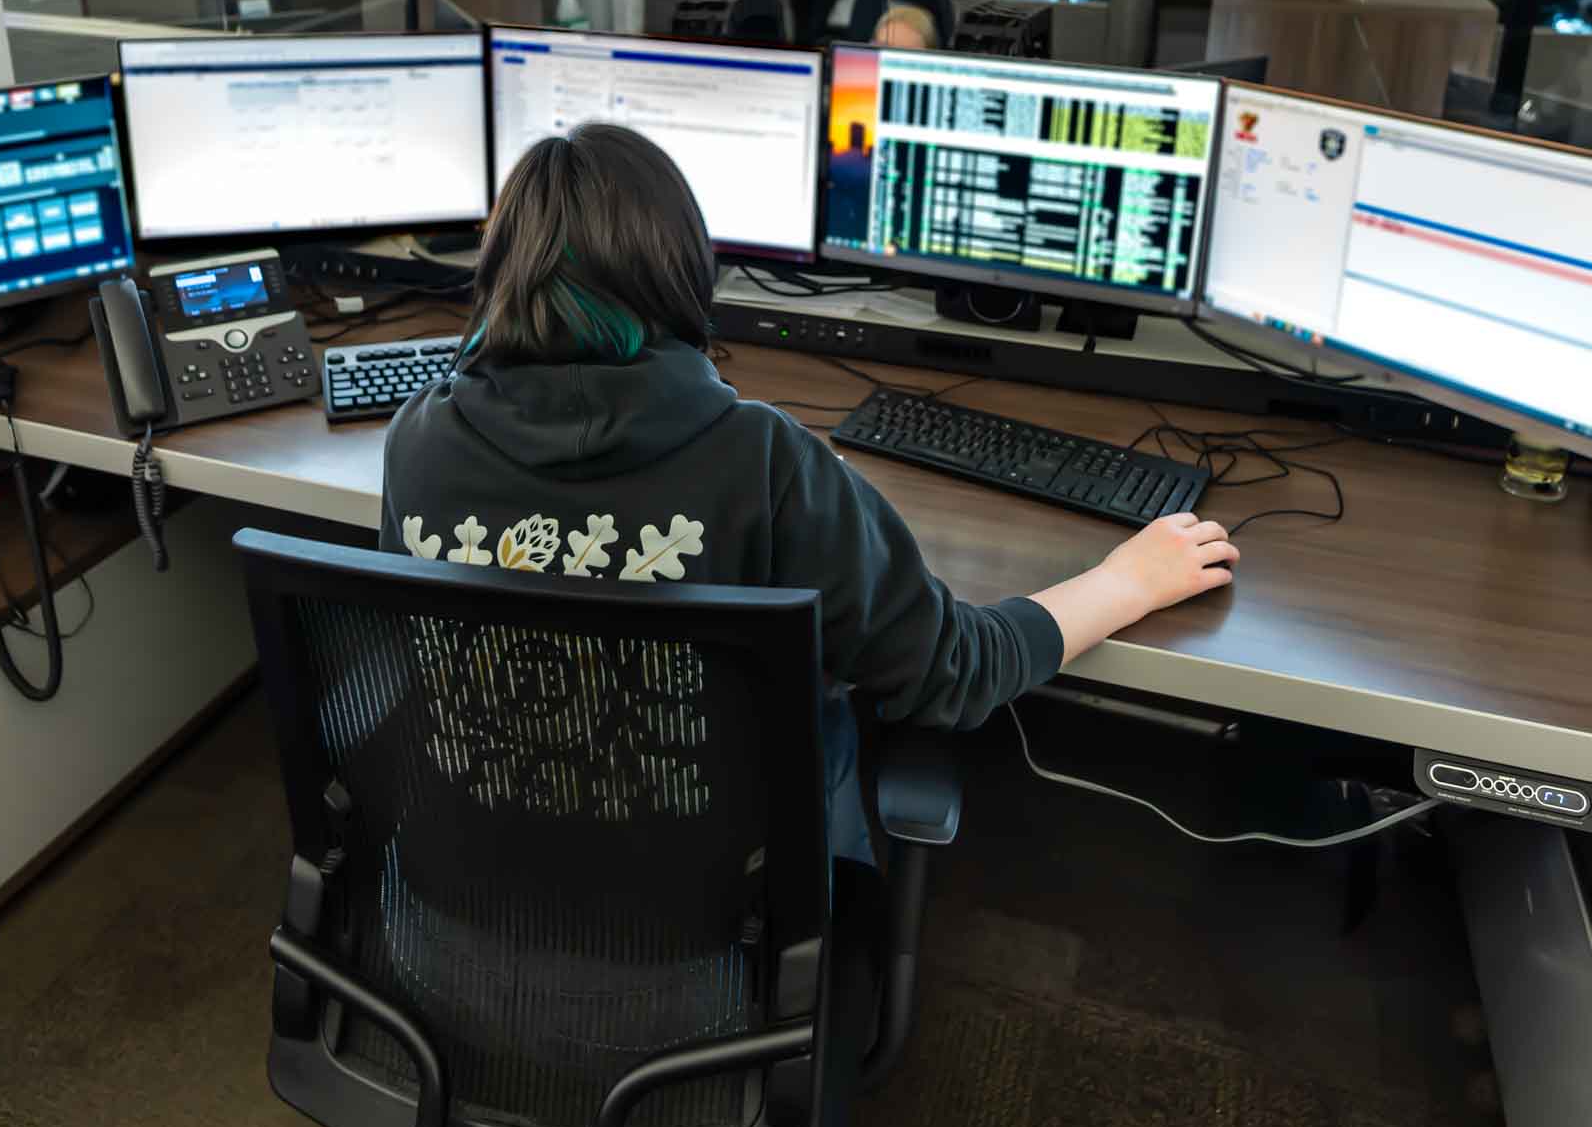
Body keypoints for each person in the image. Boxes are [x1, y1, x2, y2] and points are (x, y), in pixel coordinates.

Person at [381, 121, 1238, 857]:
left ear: (500, 273)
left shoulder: (418, 441)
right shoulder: (763, 463)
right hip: (708, 924)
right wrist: (1126, 580)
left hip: (468, 887)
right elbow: (954, 671)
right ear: (683, 275)